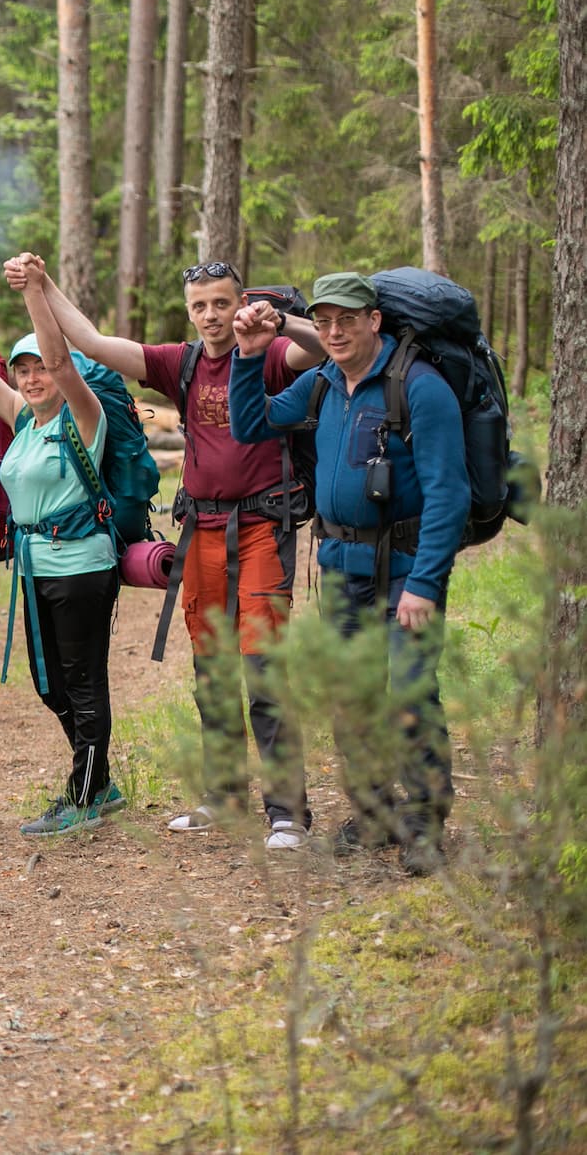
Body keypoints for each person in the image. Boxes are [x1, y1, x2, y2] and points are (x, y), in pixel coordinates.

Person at [13, 257, 325, 850]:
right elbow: (93, 343)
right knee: (212, 671)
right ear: (190, 311)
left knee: (263, 669)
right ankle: (224, 794)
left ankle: (287, 812)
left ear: (240, 302)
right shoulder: (180, 362)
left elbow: (325, 351)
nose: (212, 315)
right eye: (200, 305)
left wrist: (278, 322)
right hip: (201, 530)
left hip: (262, 528)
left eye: (221, 303)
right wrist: (42, 284)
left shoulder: (270, 352)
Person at [229, 272, 468, 875]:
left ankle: (425, 822)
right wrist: (249, 357)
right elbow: (251, 423)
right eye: (325, 320)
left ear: (374, 320)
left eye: (347, 319)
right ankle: (374, 811)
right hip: (340, 568)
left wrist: (426, 585)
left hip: (404, 568)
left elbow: (449, 495)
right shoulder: (324, 383)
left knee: (411, 693)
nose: (335, 331)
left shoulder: (420, 387)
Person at [0, 254, 121, 837]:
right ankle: (100, 780)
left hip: (82, 566)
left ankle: (85, 794)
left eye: (39, 367)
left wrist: (34, 292)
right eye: (23, 369)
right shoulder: (25, 420)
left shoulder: (83, 417)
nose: (33, 377)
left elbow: (66, 360)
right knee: (50, 685)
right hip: (37, 568)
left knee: (83, 681)